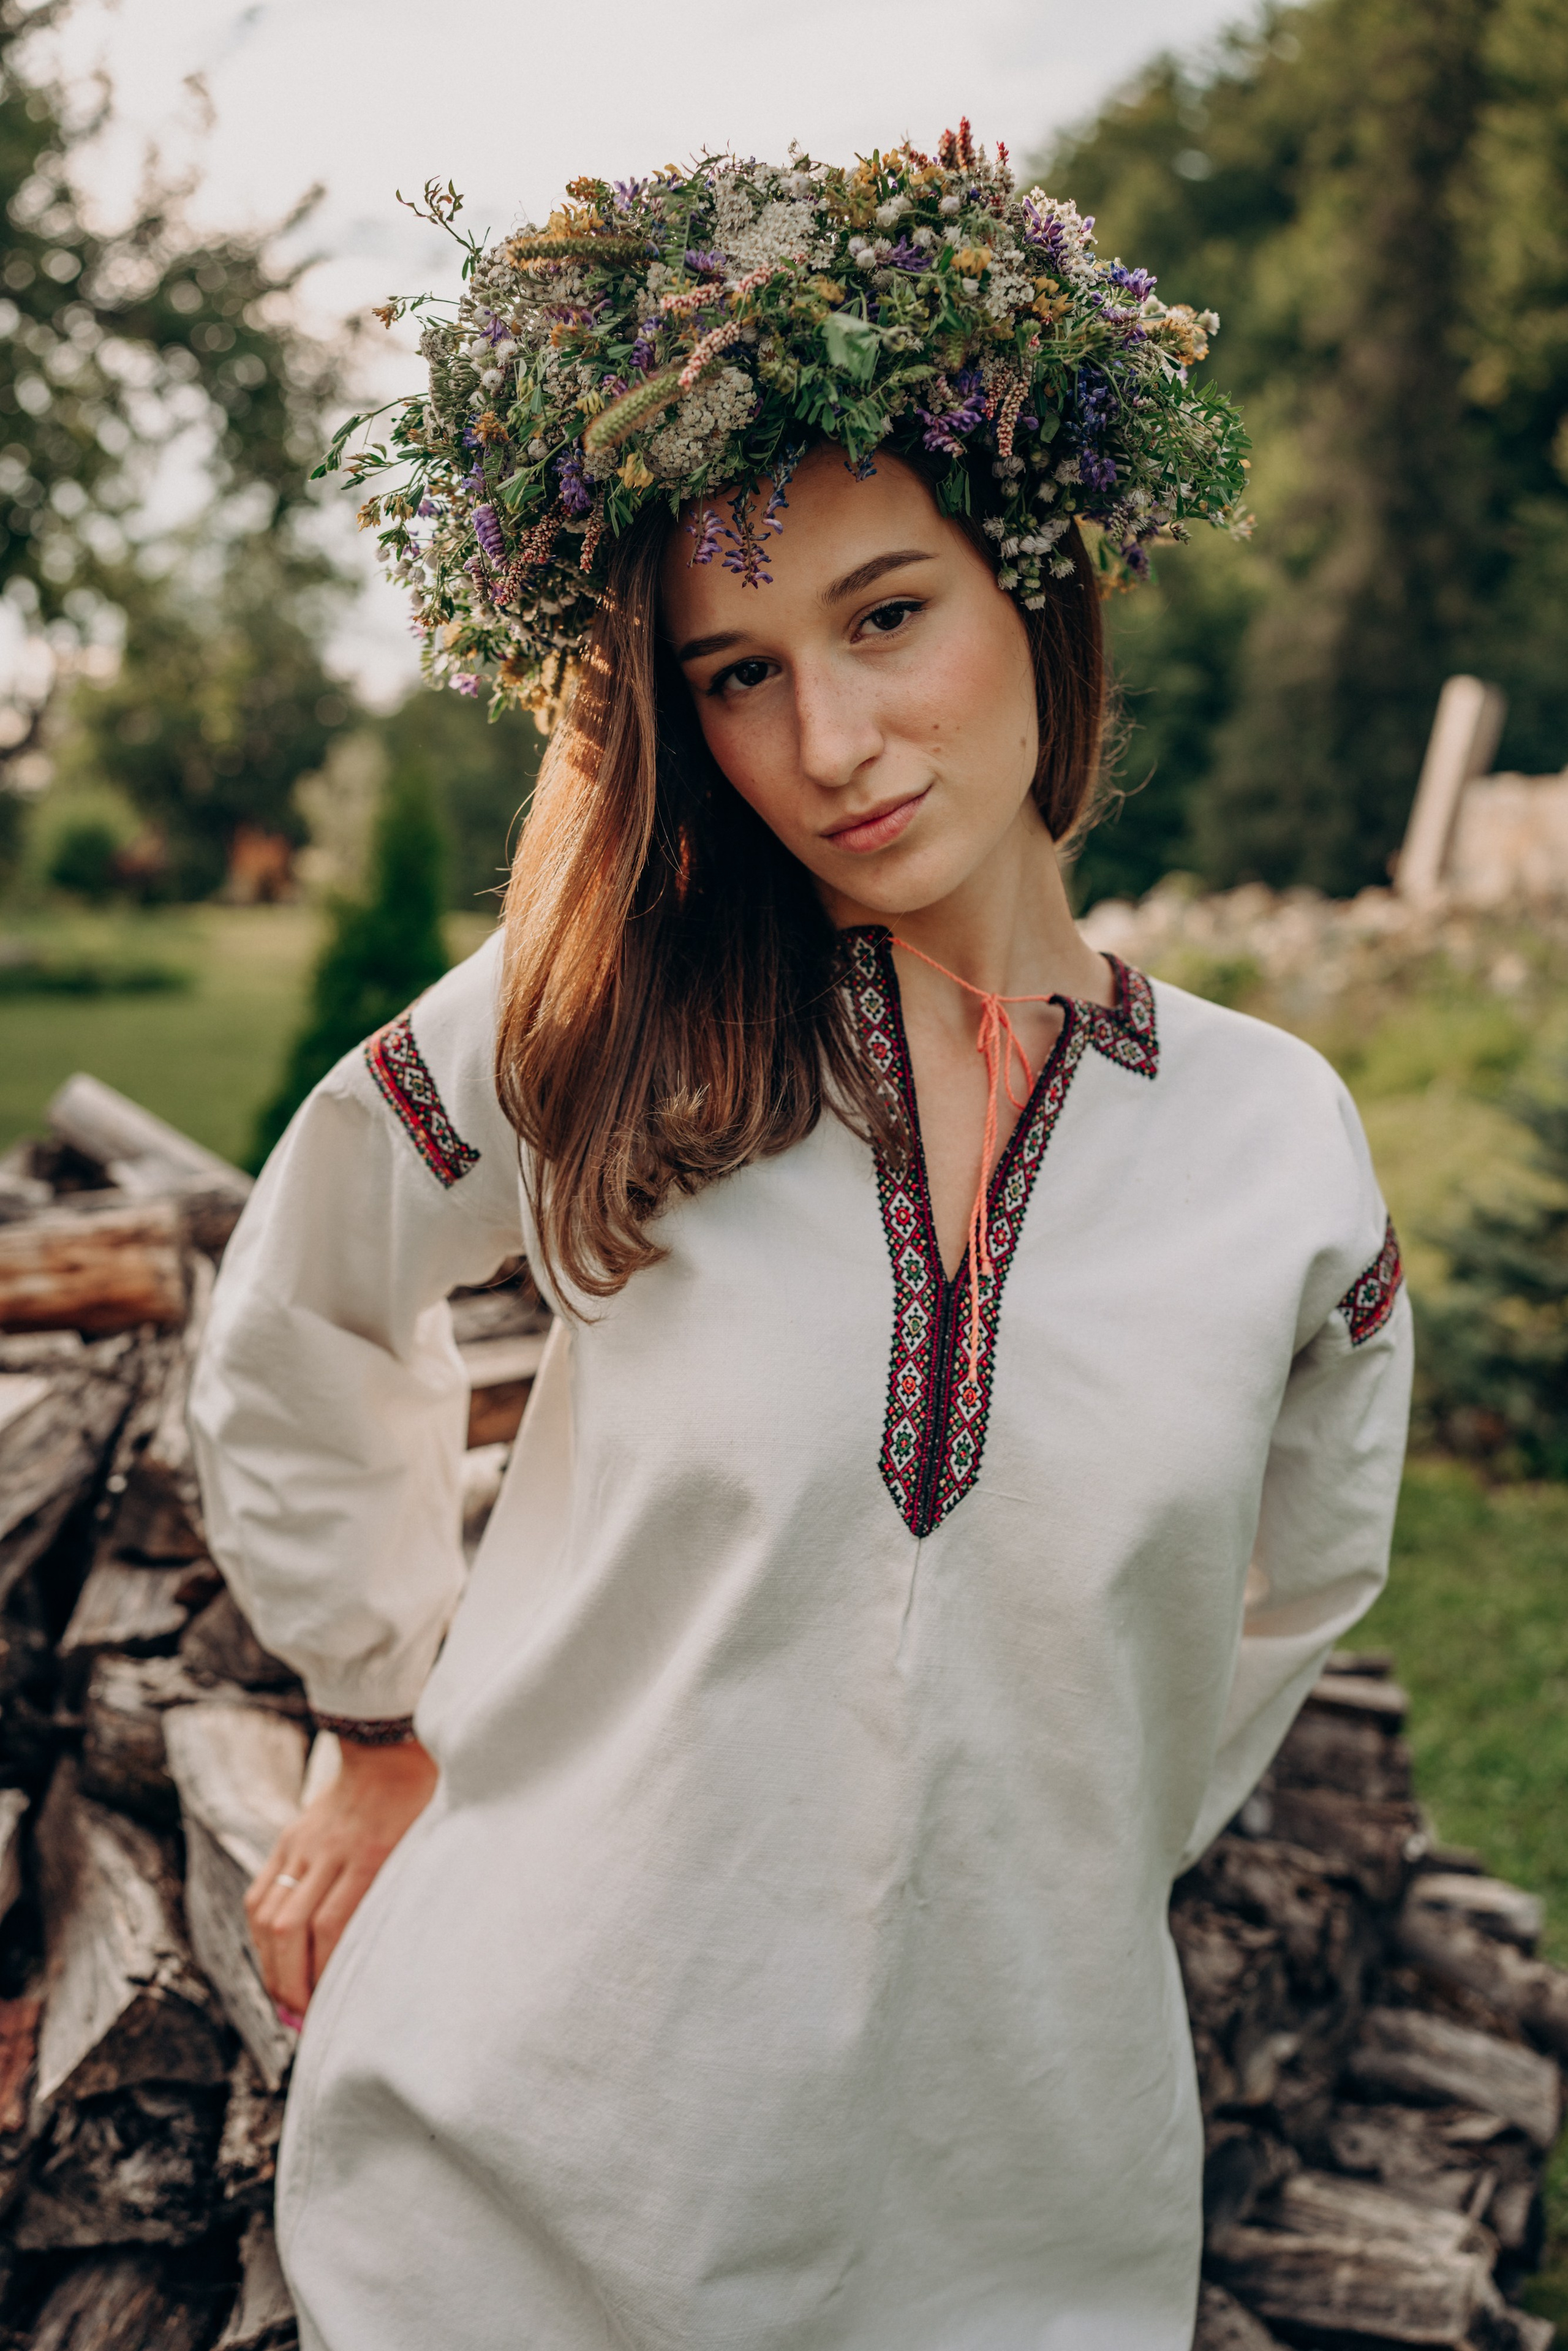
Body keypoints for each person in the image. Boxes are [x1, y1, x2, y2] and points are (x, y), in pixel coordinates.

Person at [190, 133, 1412, 2351]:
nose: (828, 743)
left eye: (884, 615)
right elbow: (306, 1291)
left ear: (1035, 582)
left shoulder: (1279, 1150)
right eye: (735, 673)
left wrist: (1038, 1851)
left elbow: (1282, 1600)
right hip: (518, 2190)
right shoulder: (605, 1025)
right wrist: (371, 1707)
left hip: (1019, 2233)